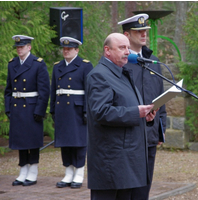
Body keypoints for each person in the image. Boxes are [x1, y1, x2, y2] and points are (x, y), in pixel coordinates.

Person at [86, 33, 157, 200]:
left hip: (125, 161)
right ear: (107, 51)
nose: (127, 52)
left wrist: (144, 116)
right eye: (122, 48)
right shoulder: (100, 75)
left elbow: (124, 107)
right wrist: (135, 112)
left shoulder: (122, 73)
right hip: (110, 161)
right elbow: (101, 112)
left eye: (128, 47)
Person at [118, 13, 167, 199]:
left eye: (145, 30)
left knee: (144, 188)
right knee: (127, 188)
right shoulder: (120, 63)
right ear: (127, 35)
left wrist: (161, 130)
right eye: (139, 31)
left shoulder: (153, 62)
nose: (144, 34)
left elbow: (160, 98)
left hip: (150, 135)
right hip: (128, 135)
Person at [4, 35, 50, 186]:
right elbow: (8, 90)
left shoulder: (38, 64)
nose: (19, 49)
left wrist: (40, 110)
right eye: (17, 47)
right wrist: (8, 107)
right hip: (17, 107)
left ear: (29, 47)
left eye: (22, 47)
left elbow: (44, 91)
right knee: (20, 141)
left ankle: (33, 170)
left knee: (32, 141)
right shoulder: (12, 64)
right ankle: (23, 169)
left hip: (31, 107)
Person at [50, 36, 93, 189]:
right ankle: (68, 172)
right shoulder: (57, 66)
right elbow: (53, 90)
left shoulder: (85, 66)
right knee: (65, 143)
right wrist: (52, 109)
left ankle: (79, 173)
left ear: (77, 50)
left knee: (79, 143)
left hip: (78, 110)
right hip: (62, 109)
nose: (66, 51)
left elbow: (90, 91)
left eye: (69, 49)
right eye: (64, 48)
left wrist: (87, 111)